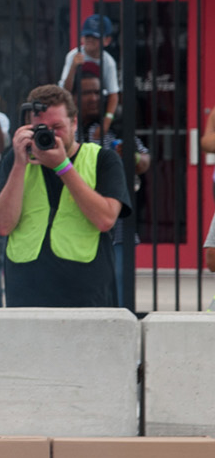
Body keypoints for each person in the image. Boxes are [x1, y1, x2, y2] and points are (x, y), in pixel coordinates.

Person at [0, 83, 130, 309]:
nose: (50, 135)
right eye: (41, 128)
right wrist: (18, 164)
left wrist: (63, 166)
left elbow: (105, 219)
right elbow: (1, 225)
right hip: (25, 297)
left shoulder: (103, 160)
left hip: (86, 297)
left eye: (57, 127)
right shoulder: (16, 162)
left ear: (74, 123)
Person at [73, 61, 148, 306]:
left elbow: (144, 160)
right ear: (73, 98)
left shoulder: (116, 129)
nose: (94, 98)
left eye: (98, 92)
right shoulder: (68, 134)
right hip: (77, 225)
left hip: (118, 227)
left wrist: (132, 158)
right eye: (87, 93)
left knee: (119, 292)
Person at [58, 14, 120, 119]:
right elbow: (65, 91)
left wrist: (106, 121)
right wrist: (73, 67)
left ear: (107, 40)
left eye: (95, 37)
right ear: (82, 38)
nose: (90, 40)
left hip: (98, 108)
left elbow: (113, 94)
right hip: (75, 107)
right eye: (87, 36)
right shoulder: (73, 55)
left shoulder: (108, 62)